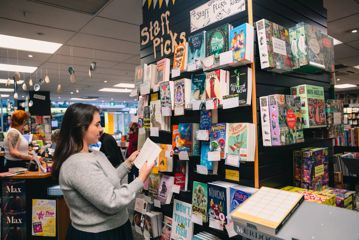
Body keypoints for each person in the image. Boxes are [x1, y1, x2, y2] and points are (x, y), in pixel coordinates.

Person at [52, 103, 154, 240]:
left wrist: (127, 164)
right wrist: (140, 179)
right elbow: (110, 201)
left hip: (115, 228)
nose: (101, 129)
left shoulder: (94, 154)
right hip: (99, 234)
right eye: (97, 124)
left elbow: (103, 183)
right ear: (81, 127)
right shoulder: (77, 164)